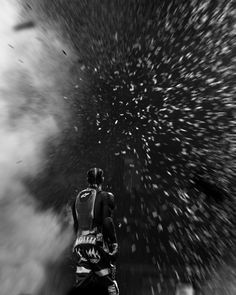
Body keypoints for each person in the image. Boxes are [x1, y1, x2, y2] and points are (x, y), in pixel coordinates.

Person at [71, 168, 119, 295]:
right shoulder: (105, 196)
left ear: (87, 180)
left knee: (81, 285)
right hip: (96, 245)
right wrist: (114, 243)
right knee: (110, 284)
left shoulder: (77, 199)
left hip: (80, 245)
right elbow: (107, 221)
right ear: (102, 179)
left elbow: (76, 226)